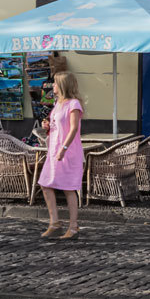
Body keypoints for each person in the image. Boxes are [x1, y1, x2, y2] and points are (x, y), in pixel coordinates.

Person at [37, 72, 85, 239]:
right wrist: (48, 126)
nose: (53, 87)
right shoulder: (58, 103)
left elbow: (73, 129)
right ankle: (54, 222)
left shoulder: (74, 104)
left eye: (56, 84)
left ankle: (73, 227)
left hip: (68, 153)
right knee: (45, 183)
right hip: (54, 151)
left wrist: (64, 148)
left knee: (68, 188)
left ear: (63, 85)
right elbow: (58, 126)